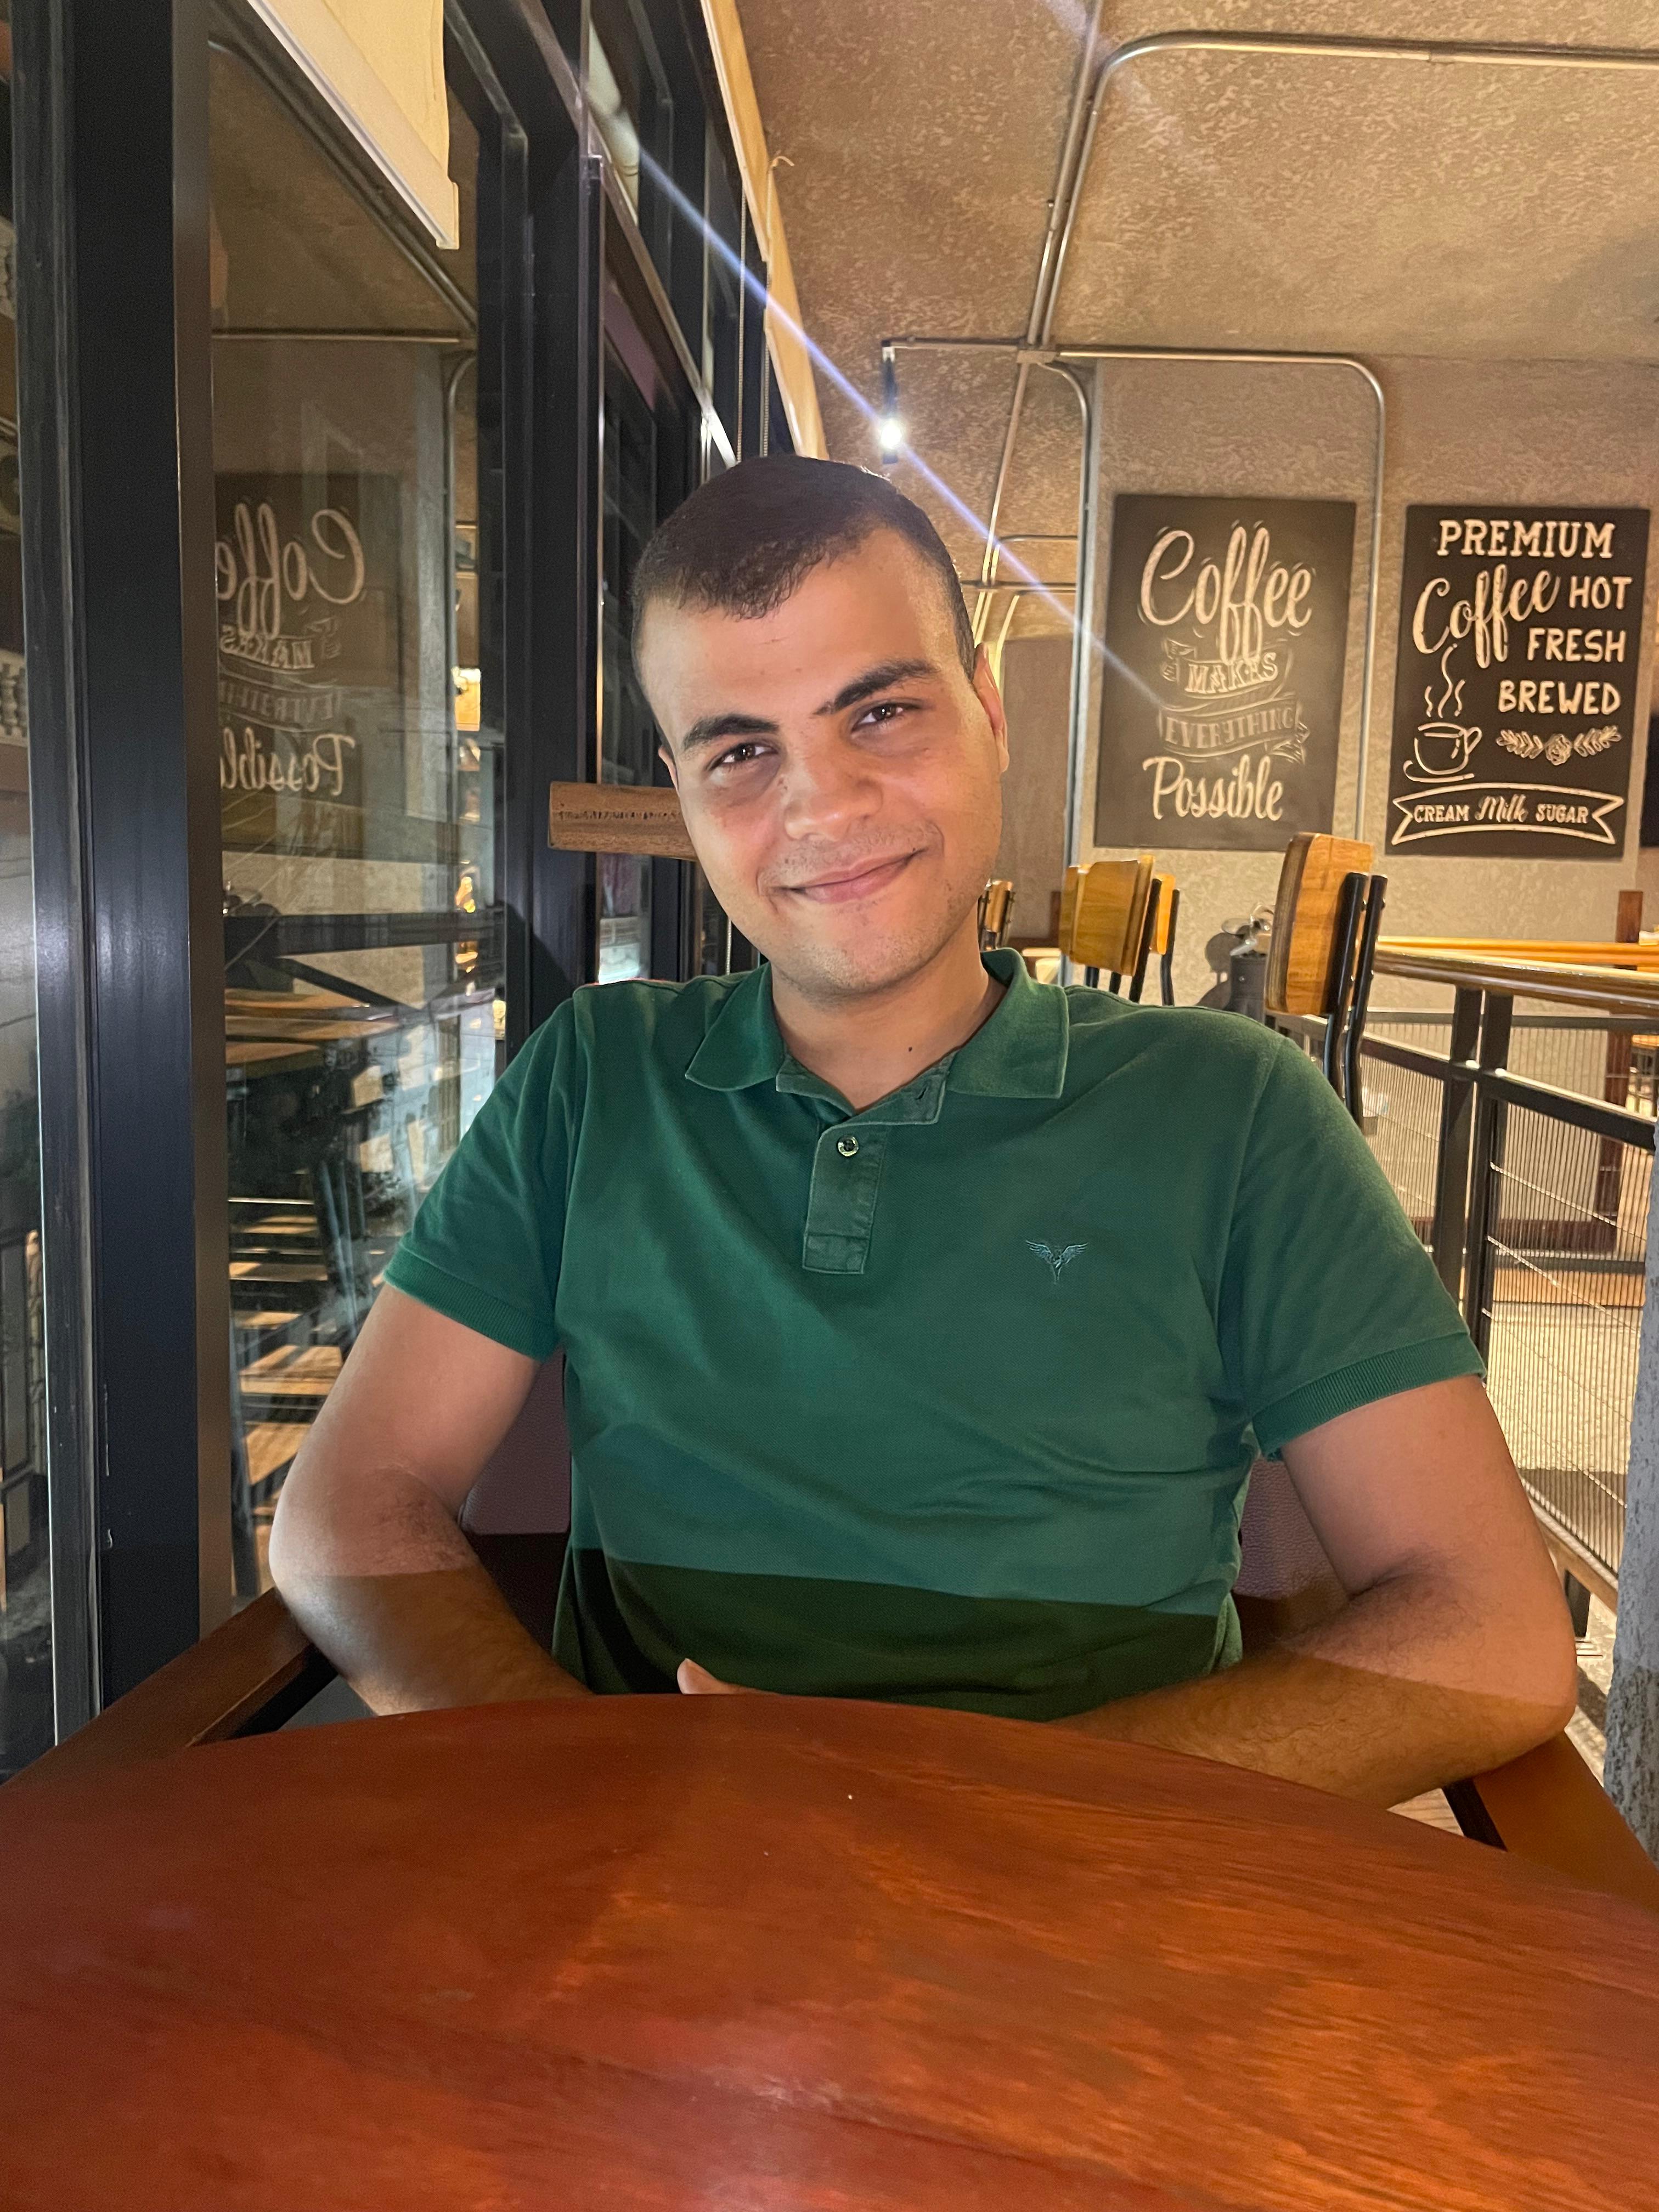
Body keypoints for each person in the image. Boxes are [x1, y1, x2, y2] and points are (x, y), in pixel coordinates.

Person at [269, 455, 1576, 1805]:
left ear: (988, 711)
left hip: (1091, 1887)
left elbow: (1494, 1633)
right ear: (682, 791)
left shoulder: (1234, 1110)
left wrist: (947, 1819)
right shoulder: (593, 1078)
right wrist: (578, 1785)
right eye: (740, 752)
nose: (822, 807)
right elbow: (344, 1506)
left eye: (882, 712)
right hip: (646, 1875)